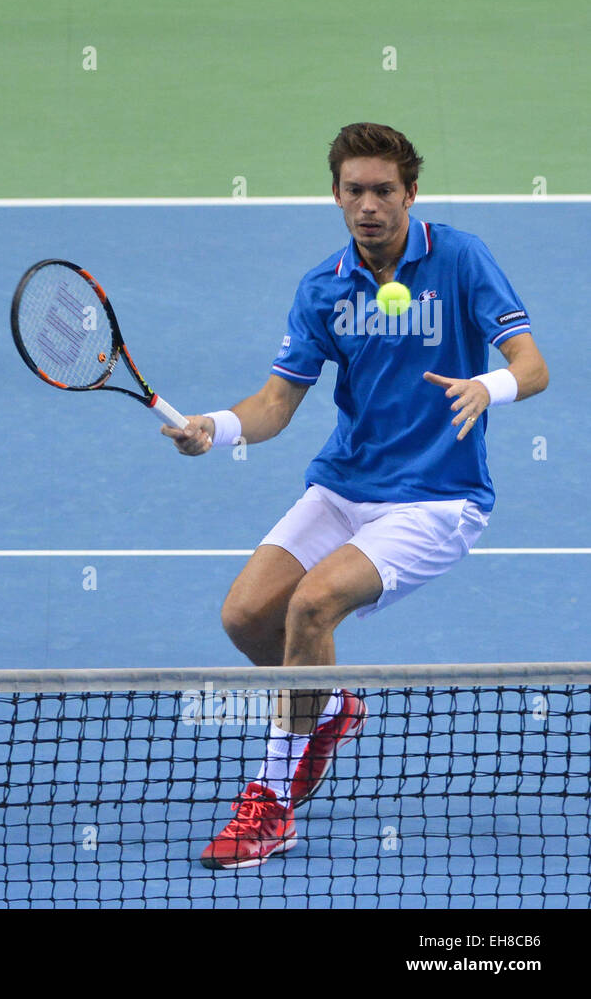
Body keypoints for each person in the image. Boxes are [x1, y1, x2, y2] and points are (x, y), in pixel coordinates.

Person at [161, 122, 548, 870]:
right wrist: (216, 426)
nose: (368, 205)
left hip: (439, 497)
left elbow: (531, 365)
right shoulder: (324, 286)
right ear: (336, 195)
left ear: (410, 193)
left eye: (383, 190)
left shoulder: (461, 259)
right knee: (246, 616)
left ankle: (270, 805)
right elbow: (277, 405)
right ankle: (330, 705)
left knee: (312, 605)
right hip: (347, 483)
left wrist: (485, 386)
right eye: (354, 191)